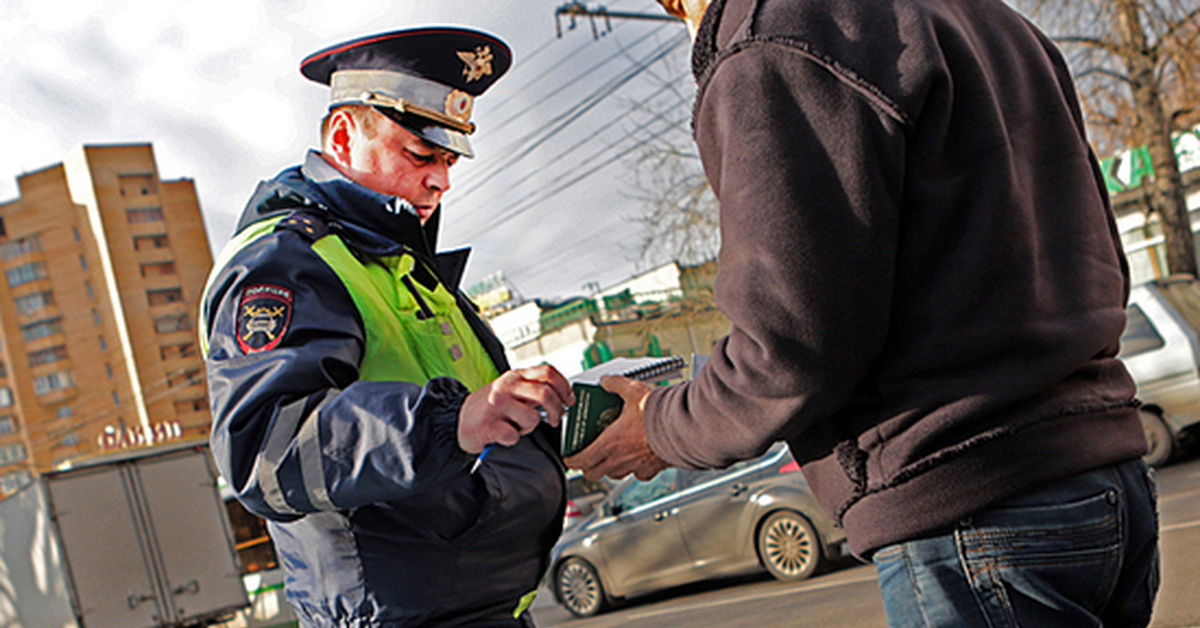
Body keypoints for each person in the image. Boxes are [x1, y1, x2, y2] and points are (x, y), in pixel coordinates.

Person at [565, 0, 1161, 625]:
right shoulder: (995, 21)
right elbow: (1104, 263)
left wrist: (658, 425)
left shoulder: (776, 42)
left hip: (973, 514)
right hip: (1110, 479)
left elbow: (790, 350)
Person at [200, 27, 574, 628]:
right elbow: (265, 449)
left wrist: (563, 423)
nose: (441, 181)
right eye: (421, 155)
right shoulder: (286, 262)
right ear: (344, 136)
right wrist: (456, 422)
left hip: (489, 610)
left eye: (450, 160)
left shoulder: (399, 264)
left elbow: (478, 424)